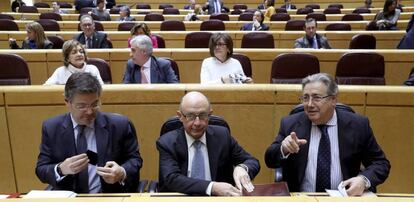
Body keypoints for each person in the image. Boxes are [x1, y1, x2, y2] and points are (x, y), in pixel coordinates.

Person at [265, 73, 390, 196]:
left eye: (316, 98)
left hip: (344, 197)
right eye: (305, 98)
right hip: (302, 198)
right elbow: (270, 160)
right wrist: (283, 149)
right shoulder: (290, 124)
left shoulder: (358, 125)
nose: (309, 104)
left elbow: (381, 163)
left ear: (333, 99)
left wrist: (363, 180)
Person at [36, 72, 143, 193]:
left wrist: (121, 172)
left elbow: (135, 160)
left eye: (94, 104)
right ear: (67, 102)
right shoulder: (52, 128)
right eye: (81, 106)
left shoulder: (119, 125)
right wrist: (61, 169)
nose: (89, 111)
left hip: (109, 197)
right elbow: (41, 169)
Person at [156, 91, 260, 196]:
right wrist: (212, 187)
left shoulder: (222, 136)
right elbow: (171, 179)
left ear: (209, 115)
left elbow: (252, 161)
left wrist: (243, 167)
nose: (197, 123)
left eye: (203, 115)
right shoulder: (167, 142)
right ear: (180, 116)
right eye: (190, 116)